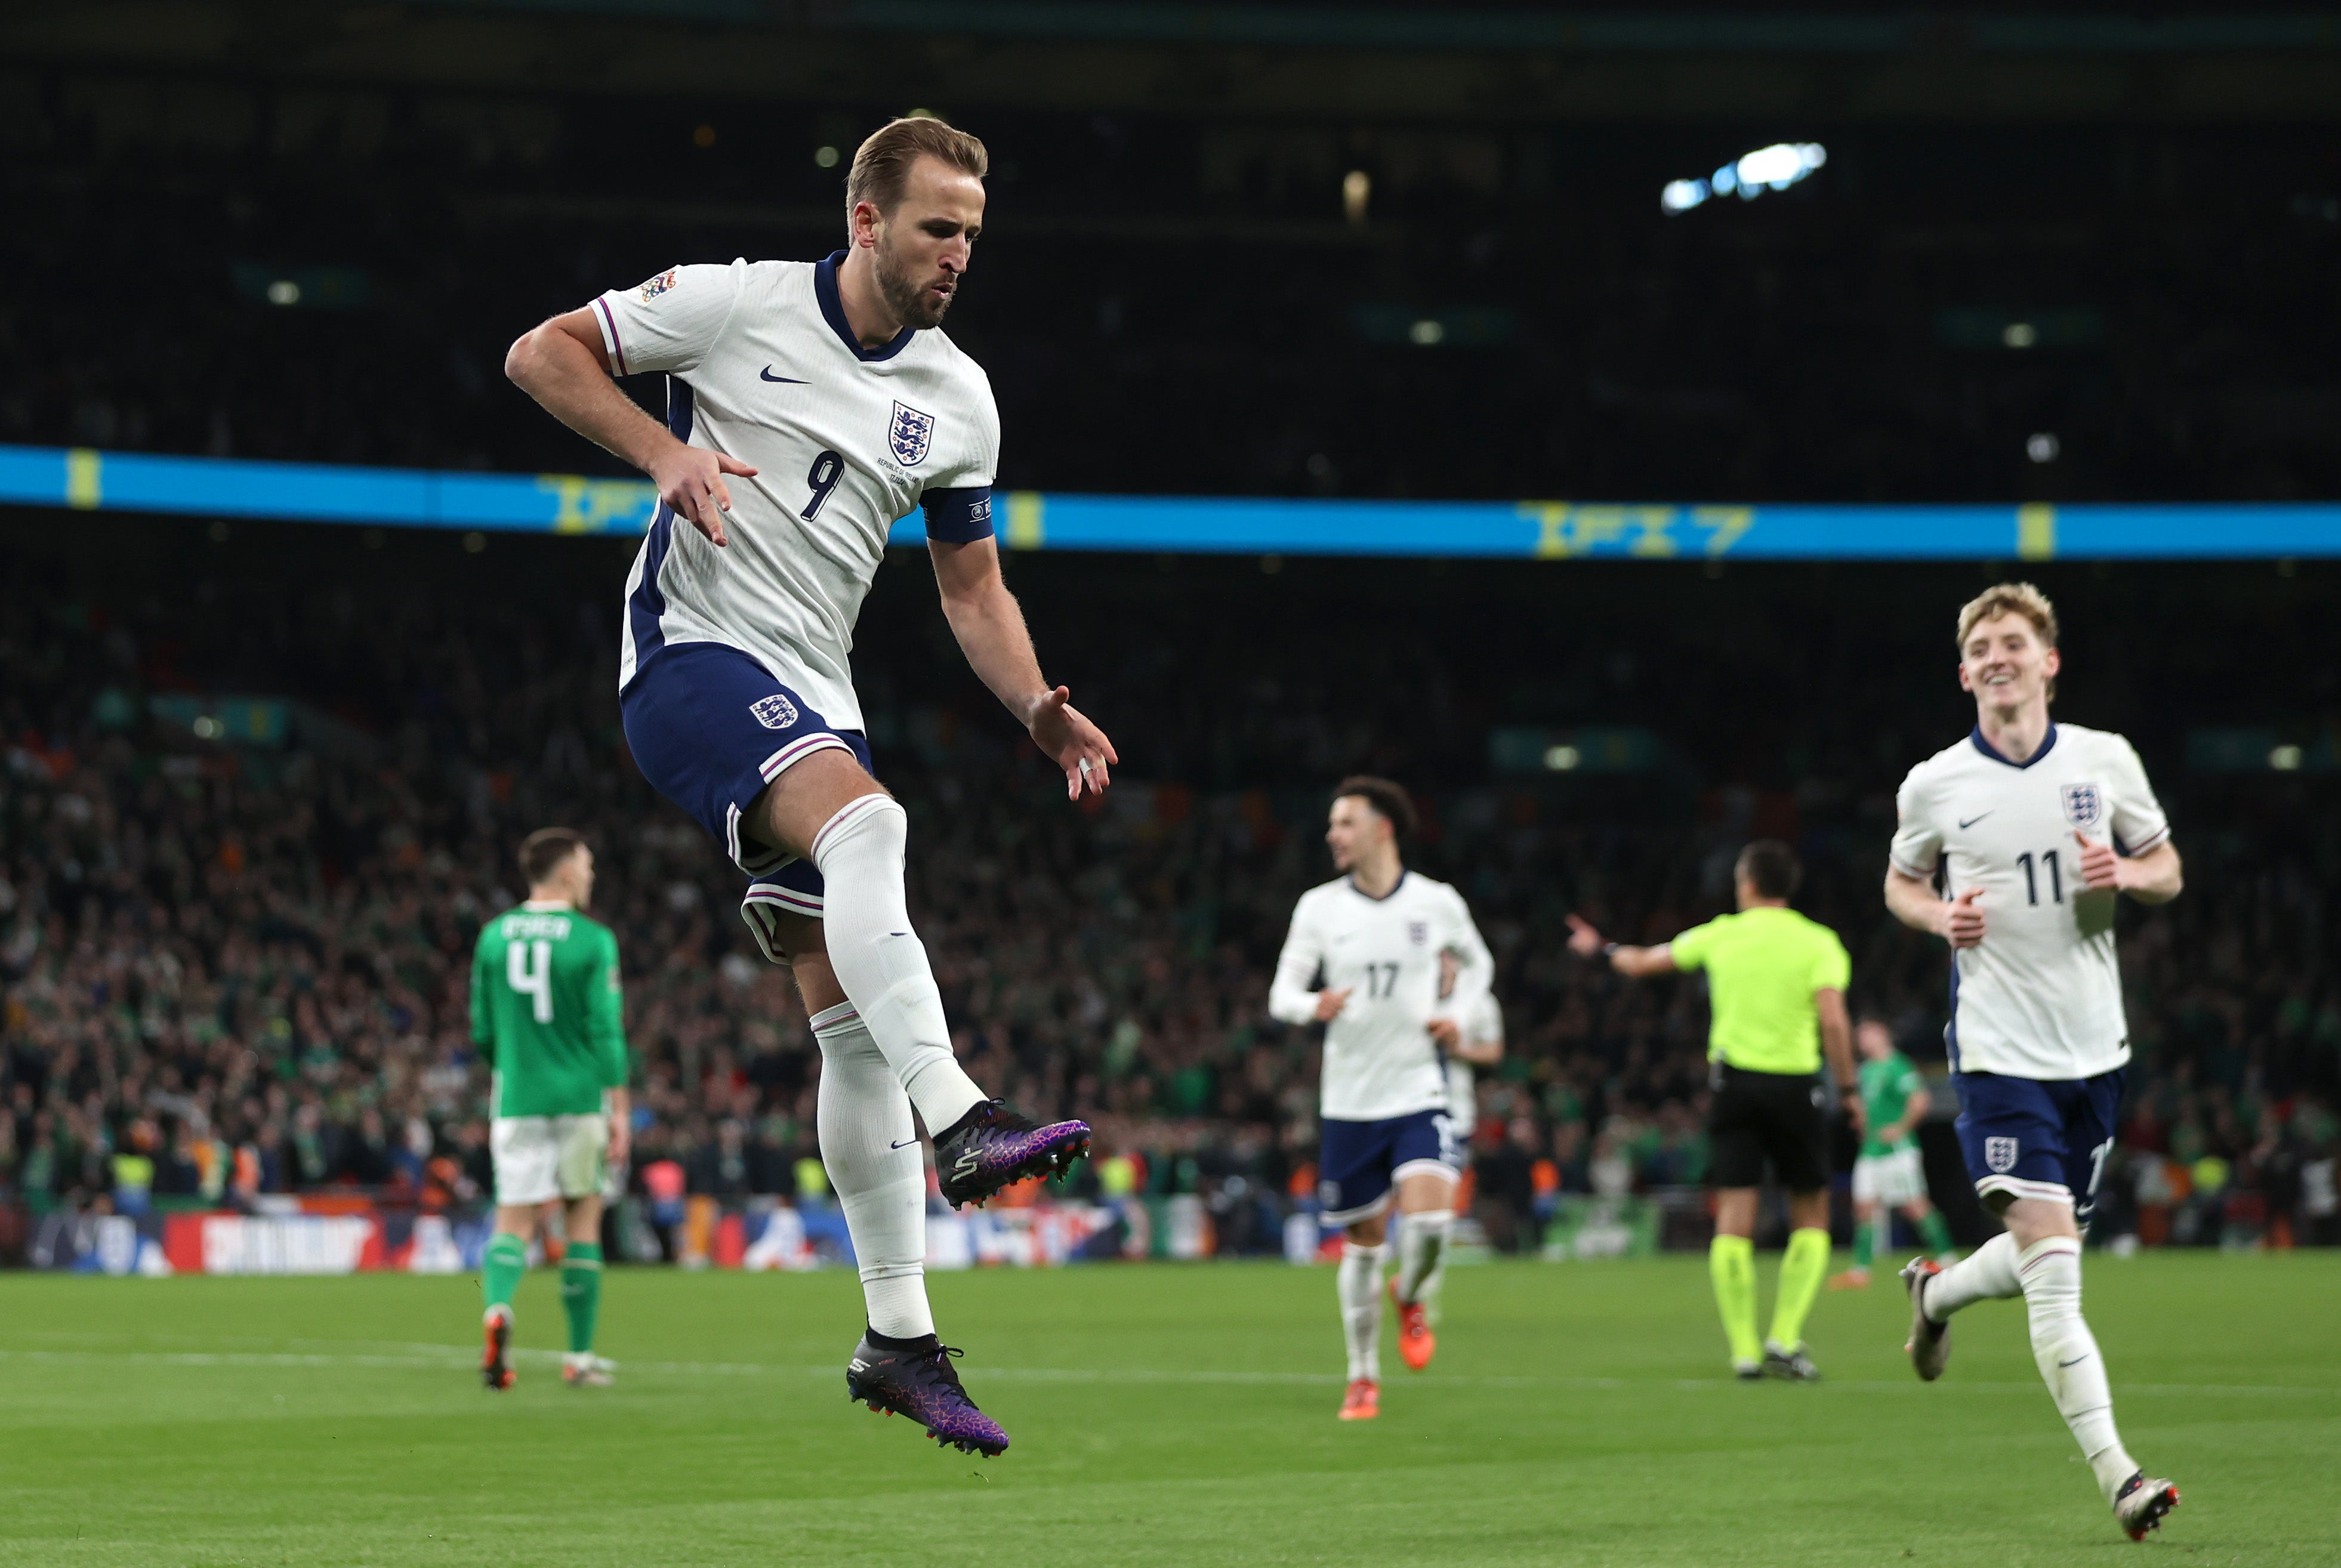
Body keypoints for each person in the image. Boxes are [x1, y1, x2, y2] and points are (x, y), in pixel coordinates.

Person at [505, 115, 1114, 1457]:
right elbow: (539, 351)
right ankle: (961, 1118)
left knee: (842, 1025)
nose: (956, 253)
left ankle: (896, 1341)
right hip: (685, 662)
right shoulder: (733, 307)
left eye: (969, 232)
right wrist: (662, 454)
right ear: (864, 221)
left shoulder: (959, 398)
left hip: (809, 693)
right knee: (869, 820)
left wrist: (1033, 709)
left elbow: (970, 584)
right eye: (934, 227)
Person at [1884, 582, 2183, 1542]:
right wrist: (1938, 914)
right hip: (1997, 1055)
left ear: (2047, 661)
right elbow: (1898, 882)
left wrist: (2127, 876)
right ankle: (2120, 1479)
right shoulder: (1934, 784)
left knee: (2031, 1259)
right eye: (1980, 646)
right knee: (2055, 1274)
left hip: (2093, 1052)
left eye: (2012, 641)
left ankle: (1933, 1294)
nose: (1996, 656)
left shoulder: (2104, 760)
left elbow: (2166, 870)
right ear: (1963, 672)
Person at [1568, 839, 1858, 1382]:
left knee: (1734, 1216)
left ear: (1746, 883)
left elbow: (1643, 962)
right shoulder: (1818, 942)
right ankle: (1785, 1337)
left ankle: (1744, 1350)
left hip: (1735, 1085)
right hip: (1796, 1086)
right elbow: (1835, 1022)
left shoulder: (1721, 934)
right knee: (1810, 1212)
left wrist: (1600, 947)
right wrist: (1847, 1089)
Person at [1268, 777, 1494, 1421]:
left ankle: (1414, 1293)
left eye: (1344, 823)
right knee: (1364, 1244)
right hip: (1348, 1102)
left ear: (1381, 828)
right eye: (1331, 824)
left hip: (1420, 1089)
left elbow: (1478, 965)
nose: (1332, 835)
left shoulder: (1435, 902)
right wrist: (1314, 1004)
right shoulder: (1318, 908)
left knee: (1428, 1223)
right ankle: (1362, 1375)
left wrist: (1457, 1011)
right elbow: (1280, 994)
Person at [470, 828, 631, 1391]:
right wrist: (620, 1107)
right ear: (564, 872)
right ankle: (579, 1357)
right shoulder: (592, 940)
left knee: (512, 1220)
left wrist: (515, 1064)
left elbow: (482, 1031)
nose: (589, 877)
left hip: (516, 1099)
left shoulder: (493, 938)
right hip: (580, 1098)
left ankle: (497, 1310)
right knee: (582, 1220)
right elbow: (605, 1030)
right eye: (585, 867)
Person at [1828, 1017, 1956, 1289]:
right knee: (1863, 1207)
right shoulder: (1866, 1071)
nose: (1863, 1040)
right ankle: (1861, 1271)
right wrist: (1861, 1122)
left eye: (1869, 1034)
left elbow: (1920, 1100)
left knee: (1914, 1206)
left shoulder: (1898, 1065)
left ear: (1884, 1035)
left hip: (1897, 1151)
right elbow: (1864, 1108)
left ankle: (1948, 1256)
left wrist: (1900, 1128)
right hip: (1871, 1150)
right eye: (1860, 1036)